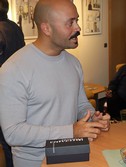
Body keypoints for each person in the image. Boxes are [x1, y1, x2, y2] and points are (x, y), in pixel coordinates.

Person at [0, 0, 110, 167]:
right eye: (70, 23)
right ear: (46, 29)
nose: (78, 28)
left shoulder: (74, 63)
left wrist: (92, 118)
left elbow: (80, 104)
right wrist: (71, 131)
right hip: (34, 161)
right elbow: (13, 132)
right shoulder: (14, 69)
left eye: (77, 20)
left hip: (71, 154)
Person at [0, 0, 25, 166]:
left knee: (7, 141)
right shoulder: (15, 27)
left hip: (4, 89)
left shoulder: (2, 30)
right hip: (17, 88)